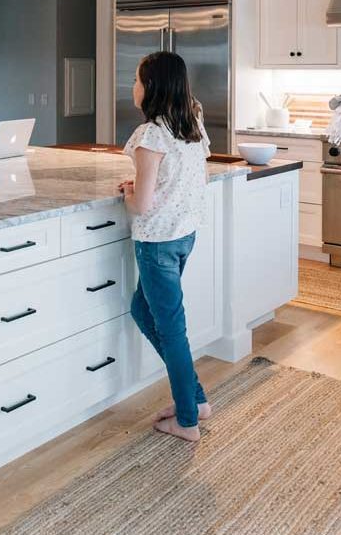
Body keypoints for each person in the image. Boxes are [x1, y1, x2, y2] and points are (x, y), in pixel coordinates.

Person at [119, 51, 211, 443]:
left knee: (172, 331)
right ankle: (197, 399)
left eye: (137, 80)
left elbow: (142, 204)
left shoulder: (150, 134)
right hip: (184, 234)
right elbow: (178, 181)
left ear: (151, 87)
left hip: (157, 241)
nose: (133, 87)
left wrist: (129, 194)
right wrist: (139, 188)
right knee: (143, 310)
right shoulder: (192, 125)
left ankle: (188, 420)